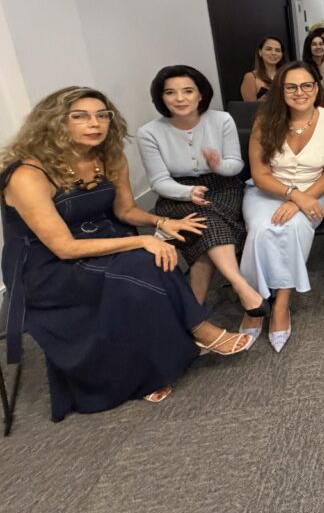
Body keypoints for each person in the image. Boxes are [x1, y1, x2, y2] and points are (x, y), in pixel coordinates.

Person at [1, 87, 252, 419]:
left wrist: (161, 222)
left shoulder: (108, 156)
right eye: (80, 116)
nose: (95, 124)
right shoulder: (27, 174)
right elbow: (64, 247)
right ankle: (198, 330)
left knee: (152, 258)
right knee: (142, 262)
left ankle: (160, 360)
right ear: (54, 122)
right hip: (49, 266)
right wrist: (141, 241)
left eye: (102, 116)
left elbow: (125, 211)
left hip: (103, 241)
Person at [138, 65, 265, 315]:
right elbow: (159, 181)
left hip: (223, 186)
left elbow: (236, 165)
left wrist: (218, 165)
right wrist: (187, 193)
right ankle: (241, 286)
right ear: (161, 97)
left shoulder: (221, 120)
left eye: (188, 91)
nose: (180, 98)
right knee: (205, 223)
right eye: (170, 92)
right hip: (176, 193)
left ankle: (194, 311)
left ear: (200, 94)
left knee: (202, 232)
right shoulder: (149, 132)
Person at [239, 62, 324, 351]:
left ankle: (281, 303)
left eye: (307, 85)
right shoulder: (265, 120)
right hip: (268, 190)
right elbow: (260, 175)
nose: (300, 92)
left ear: (316, 88)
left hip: (315, 190)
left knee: (294, 227)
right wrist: (294, 195)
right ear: (281, 90)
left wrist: (302, 200)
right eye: (291, 87)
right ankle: (255, 301)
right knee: (261, 230)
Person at [240, 36, 283, 101]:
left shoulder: (287, 75)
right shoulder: (251, 77)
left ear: (282, 54)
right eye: (268, 49)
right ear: (260, 52)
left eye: (277, 50)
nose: (273, 53)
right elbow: (250, 106)